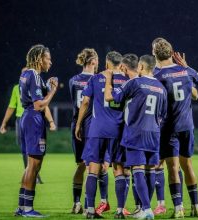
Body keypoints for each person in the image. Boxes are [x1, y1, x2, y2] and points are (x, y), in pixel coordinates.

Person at [104, 54, 167, 220]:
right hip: (154, 134)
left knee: (137, 170)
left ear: (141, 67)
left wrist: (108, 80)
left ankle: (146, 210)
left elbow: (111, 98)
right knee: (150, 171)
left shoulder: (134, 83)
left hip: (136, 133)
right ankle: (146, 208)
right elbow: (162, 115)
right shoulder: (161, 88)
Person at [153, 39, 198, 218]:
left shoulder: (156, 75)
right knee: (187, 166)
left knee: (173, 168)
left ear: (154, 53)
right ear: (172, 53)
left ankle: (178, 208)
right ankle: (196, 207)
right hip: (187, 127)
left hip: (169, 128)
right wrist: (188, 68)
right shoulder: (185, 70)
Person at [75, 51, 129, 219]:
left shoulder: (94, 78)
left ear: (106, 63)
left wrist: (78, 124)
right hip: (117, 131)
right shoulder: (127, 81)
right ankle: (120, 211)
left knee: (93, 168)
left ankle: (90, 210)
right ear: (121, 65)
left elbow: (85, 102)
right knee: (119, 169)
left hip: (97, 130)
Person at [14, 44, 58, 217]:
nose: (50, 61)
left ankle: (21, 206)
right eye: (48, 58)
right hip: (33, 118)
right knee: (34, 165)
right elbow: (39, 104)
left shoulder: (25, 73)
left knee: (30, 166)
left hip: (26, 117)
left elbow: (32, 94)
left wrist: (46, 86)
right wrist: (53, 91)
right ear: (39, 58)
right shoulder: (33, 74)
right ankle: (28, 209)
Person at [0, 68, 56, 184]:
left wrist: (51, 121)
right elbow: (12, 106)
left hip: (27, 118)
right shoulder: (17, 88)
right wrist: (4, 123)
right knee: (27, 150)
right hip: (28, 118)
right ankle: (32, 176)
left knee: (31, 151)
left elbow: (42, 105)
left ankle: (32, 176)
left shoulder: (33, 84)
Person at [69, 48, 98, 214]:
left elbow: (75, 103)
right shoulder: (97, 80)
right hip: (91, 126)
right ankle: (89, 205)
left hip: (75, 125)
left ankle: (76, 203)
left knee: (80, 165)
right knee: (91, 166)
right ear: (93, 61)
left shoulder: (73, 80)